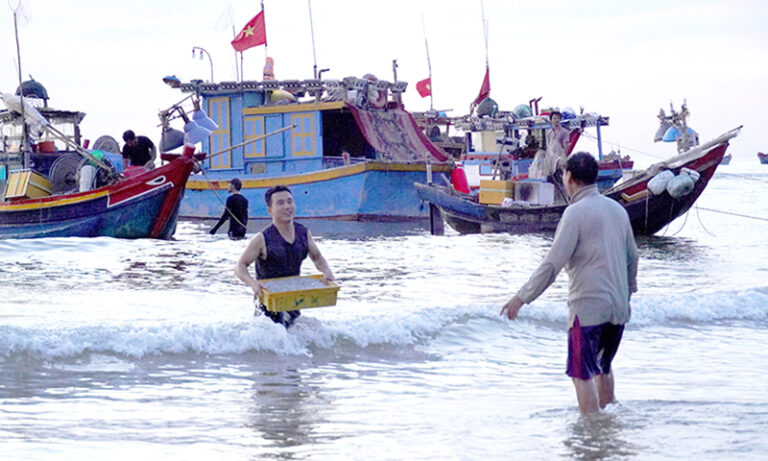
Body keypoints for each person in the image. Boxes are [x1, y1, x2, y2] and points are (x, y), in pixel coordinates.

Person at [500, 152, 639, 415]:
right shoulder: (618, 210)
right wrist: (627, 295)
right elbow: (633, 257)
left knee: (581, 373)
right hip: (618, 309)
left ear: (570, 178)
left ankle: (591, 429)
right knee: (603, 367)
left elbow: (553, 264)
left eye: (564, 175)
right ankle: (609, 421)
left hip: (587, 309)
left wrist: (521, 298)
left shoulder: (575, 213)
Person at [234, 185, 335, 328]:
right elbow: (240, 266)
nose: (287, 206)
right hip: (267, 311)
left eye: (290, 201)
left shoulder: (303, 233)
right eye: (280, 203)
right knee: (275, 337)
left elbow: (317, 258)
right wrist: (252, 283)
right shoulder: (262, 239)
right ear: (270, 210)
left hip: (292, 301)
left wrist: (327, 272)